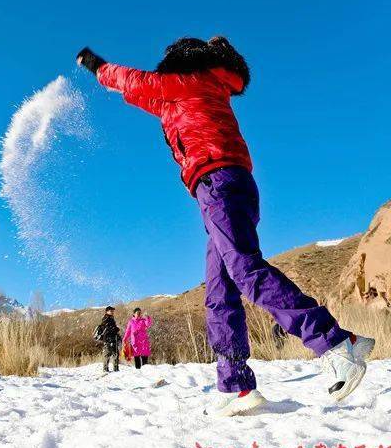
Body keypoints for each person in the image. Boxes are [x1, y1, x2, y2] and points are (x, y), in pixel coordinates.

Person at [77, 37, 375, 416]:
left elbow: (138, 83)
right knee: (219, 290)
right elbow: (143, 96)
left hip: (218, 181)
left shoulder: (188, 81)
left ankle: (333, 343)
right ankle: (235, 386)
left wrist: (99, 68)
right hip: (221, 187)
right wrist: (113, 84)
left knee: (245, 270)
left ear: (180, 63)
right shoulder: (190, 93)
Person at [94, 306, 121, 373]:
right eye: (110, 311)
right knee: (108, 353)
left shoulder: (111, 318)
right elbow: (107, 329)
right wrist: (115, 329)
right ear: (107, 311)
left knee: (115, 354)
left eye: (112, 311)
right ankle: (106, 369)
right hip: (108, 339)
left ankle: (116, 368)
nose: (112, 312)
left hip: (113, 339)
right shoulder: (105, 319)